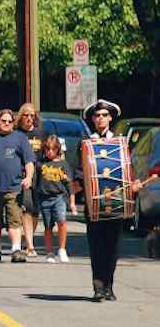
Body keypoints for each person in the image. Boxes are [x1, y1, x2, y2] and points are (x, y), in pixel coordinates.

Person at [75, 99, 144, 302]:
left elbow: (127, 169)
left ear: (110, 118)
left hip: (116, 203)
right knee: (96, 246)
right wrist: (78, 187)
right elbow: (80, 172)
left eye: (104, 115)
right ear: (93, 119)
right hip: (95, 204)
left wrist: (133, 186)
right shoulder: (86, 144)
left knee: (112, 247)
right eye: (97, 116)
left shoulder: (120, 143)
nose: (101, 119)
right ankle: (98, 286)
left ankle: (109, 285)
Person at [0, 109, 36, 263]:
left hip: (14, 187)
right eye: (3, 121)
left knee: (14, 220)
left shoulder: (20, 138)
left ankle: (16, 250)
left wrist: (29, 177)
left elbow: (29, 161)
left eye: (9, 121)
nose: (6, 123)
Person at [36, 135, 75, 264]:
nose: (50, 152)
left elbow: (69, 184)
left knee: (62, 222)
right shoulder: (40, 164)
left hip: (59, 197)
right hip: (44, 198)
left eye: (53, 149)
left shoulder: (63, 165)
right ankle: (49, 252)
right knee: (48, 226)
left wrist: (72, 202)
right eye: (47, 149)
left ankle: (62, 249)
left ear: (58, 150)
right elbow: (36, 182)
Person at [16, 103, 47, 257]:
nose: (29, 118)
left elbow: (50, 152)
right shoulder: (16, 134)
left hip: (39, 175)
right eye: (26, 115)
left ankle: (27, 239)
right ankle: (29, 245)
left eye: (32, 115)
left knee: (35, 211)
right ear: (20, 117)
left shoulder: (41, 133)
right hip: (22, 174)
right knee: (26, 208)